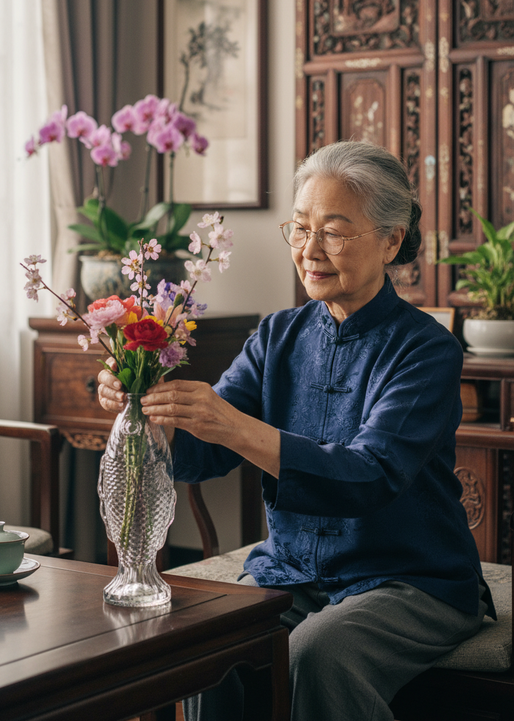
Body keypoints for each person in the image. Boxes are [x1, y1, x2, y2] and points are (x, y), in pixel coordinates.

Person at [98, 140, 493, 721]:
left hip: (410, 578)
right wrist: (139, 410)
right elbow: (198, 459)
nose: (310, 250)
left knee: (317, 655)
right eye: (300, 228)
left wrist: (233, 425)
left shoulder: (426, 349)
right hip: (290, 570)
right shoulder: (276, 336)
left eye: (334, 231)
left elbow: (369, 476)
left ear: (391, 240)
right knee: (211, 642)